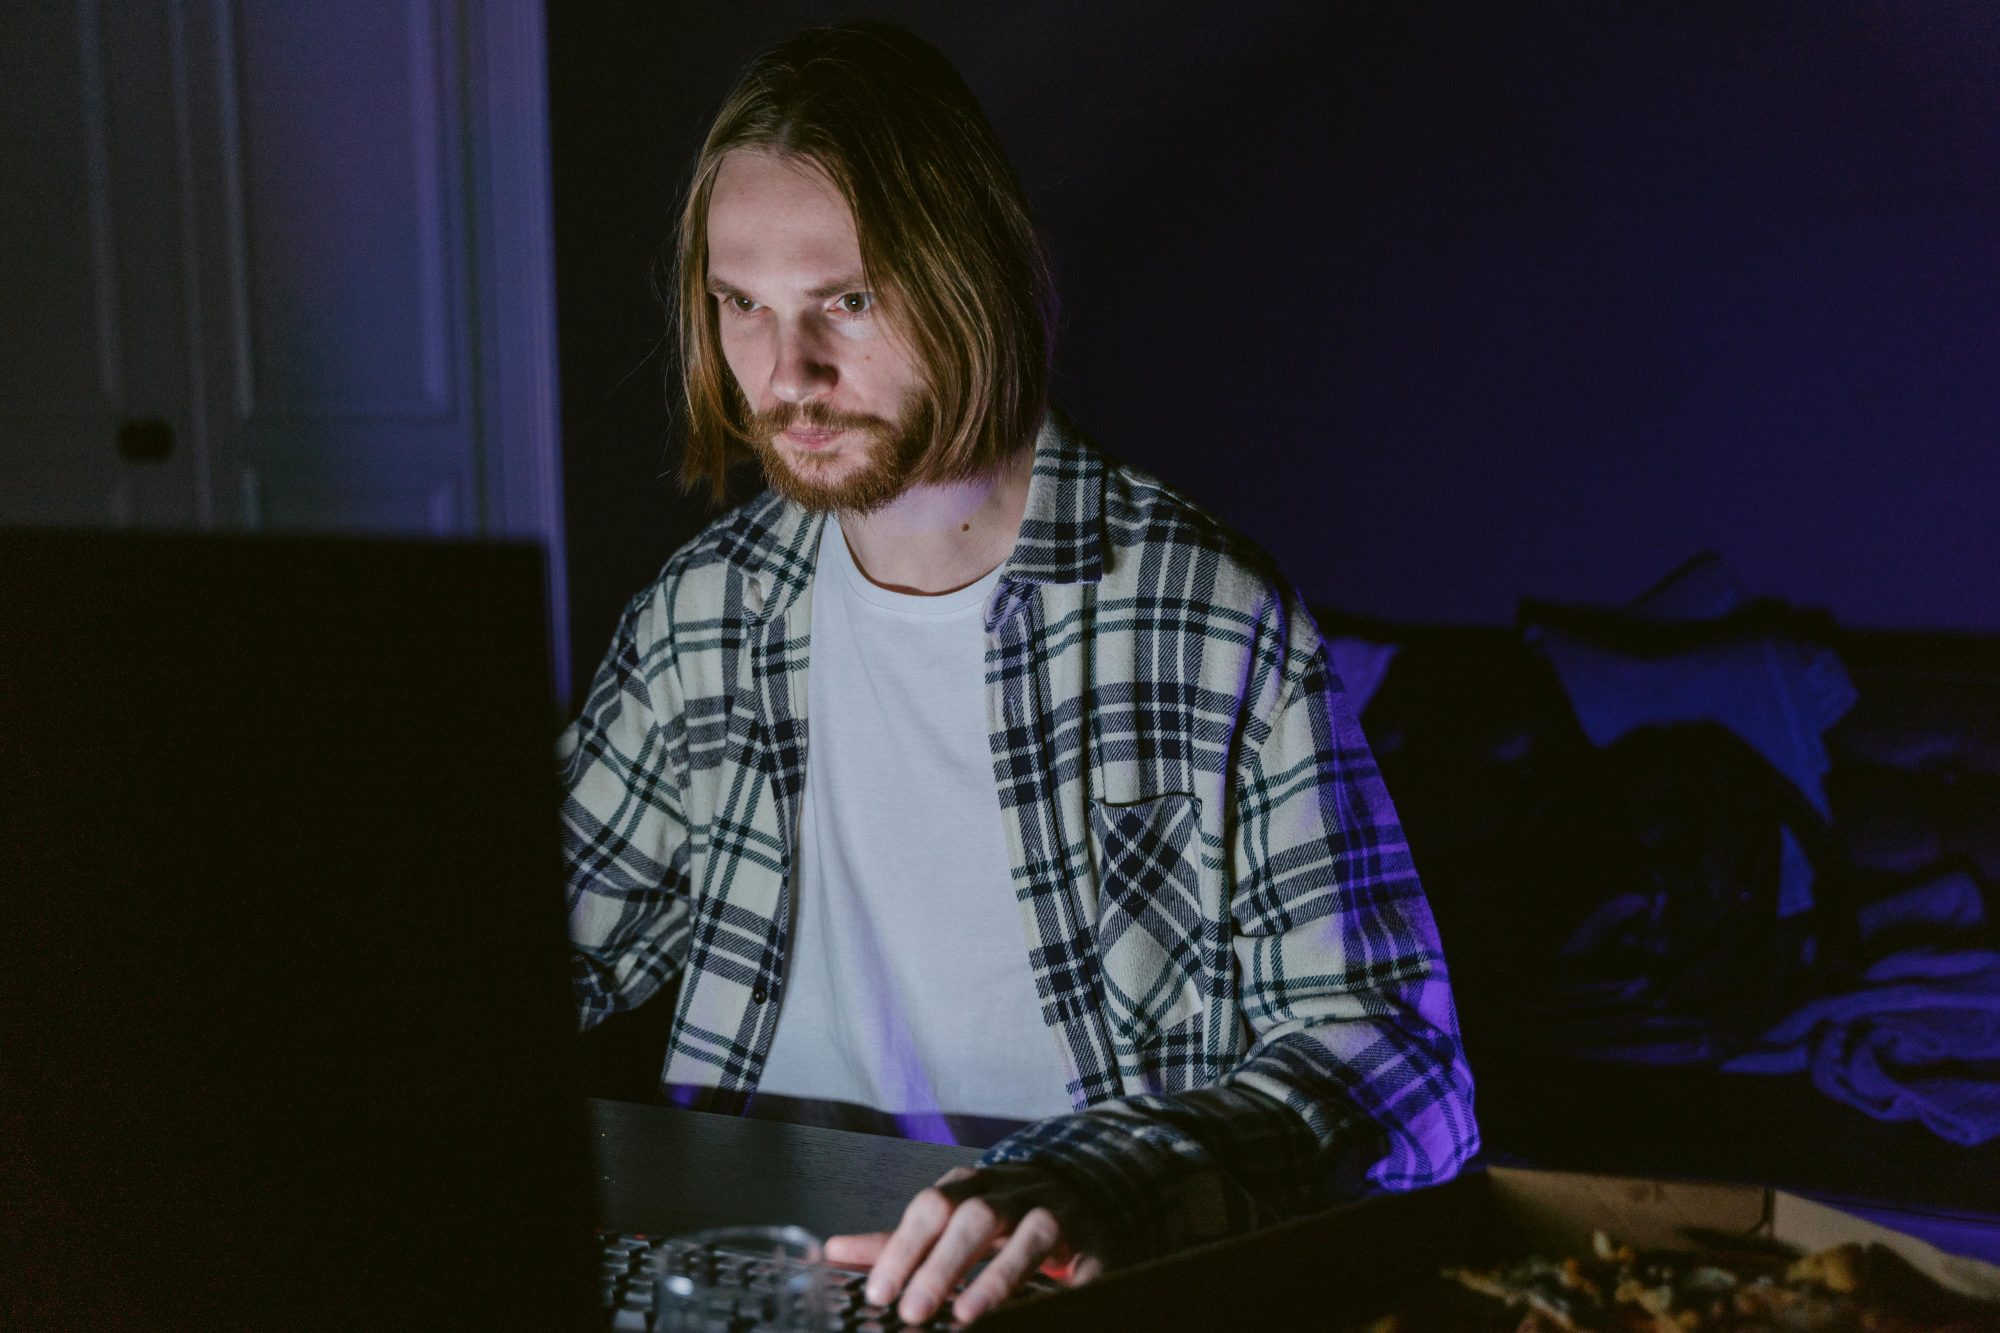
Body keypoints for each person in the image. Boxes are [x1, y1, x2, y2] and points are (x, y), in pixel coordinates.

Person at [559, 21, 1477, 1326]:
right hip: (759, 1285)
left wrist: (1113, 1178)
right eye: (741, 304)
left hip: (1065, 1293)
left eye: (847, 301)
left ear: (972, 275)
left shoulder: (1204, 614)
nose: (785, 373)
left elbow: (1407, 1072)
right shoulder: (702, 614)